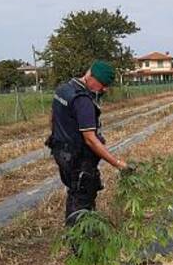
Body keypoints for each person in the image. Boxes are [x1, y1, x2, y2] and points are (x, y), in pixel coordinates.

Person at [46, 60, 129, 226]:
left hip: (62, 153)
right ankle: (81, 242)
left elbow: (52, 118)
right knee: (83, 197)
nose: (104, 89)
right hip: (78, 158)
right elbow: (90, 140)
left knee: (74, 190)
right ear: (91, 77)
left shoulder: (63, 89)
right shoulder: (83, 100)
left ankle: (80, 232)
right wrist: (118, 163)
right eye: (103, 85)